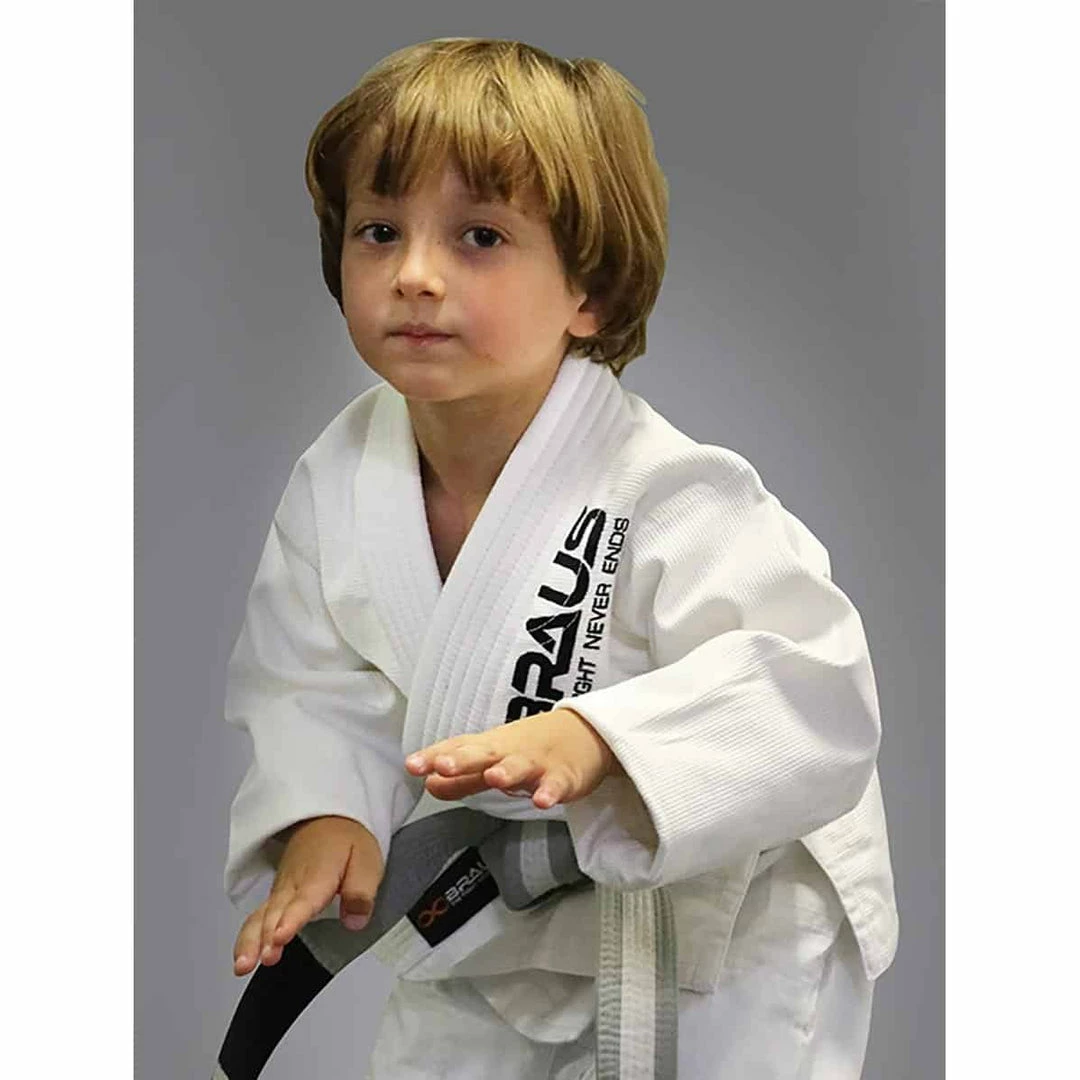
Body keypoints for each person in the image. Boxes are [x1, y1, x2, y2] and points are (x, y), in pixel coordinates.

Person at [221, 36, 898, 1079]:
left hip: (728, 920)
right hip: (500, 897)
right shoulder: (341, 475)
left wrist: (603, 738)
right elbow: (309, 678)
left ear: (590, 290)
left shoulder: (668, 491)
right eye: (379, 230)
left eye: (479, 236)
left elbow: (817, 692)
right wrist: (329, 813)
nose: (414, 275)